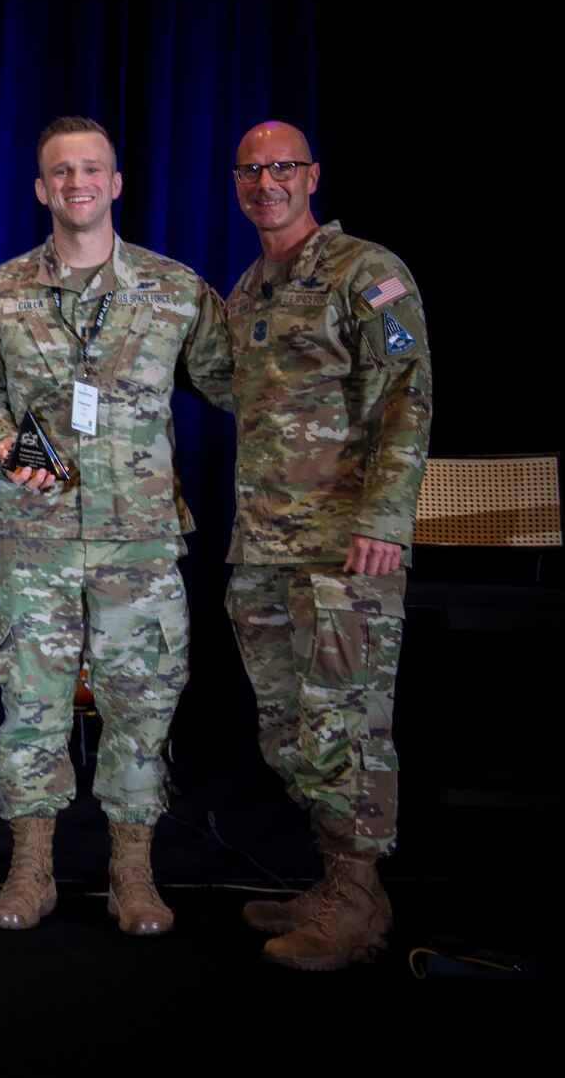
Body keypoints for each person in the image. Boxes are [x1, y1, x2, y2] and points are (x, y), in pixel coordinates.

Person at [0, 116, 232, 936]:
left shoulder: (175, 289)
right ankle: (32, 869)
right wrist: (2, 445)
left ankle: (133, 874)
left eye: (92, 170)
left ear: (115, 184)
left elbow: (239, 385)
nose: (77, 183)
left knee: (141, 704)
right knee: (31, 704)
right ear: (42, 189)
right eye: (60, 172)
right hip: (36, 536)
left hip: (139, 540)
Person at [219, 120, 430, 970]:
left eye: (283, 167)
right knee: (289, 728)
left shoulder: (366, 272)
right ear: (238, 182)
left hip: (346, 547)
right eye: (251, 169)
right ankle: (340, 879)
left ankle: (356, 899)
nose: (267, 181)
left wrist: (386, 518)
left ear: (312, 174)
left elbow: (407, 395)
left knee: (347, 720)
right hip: (265, 545)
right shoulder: (248, 290)